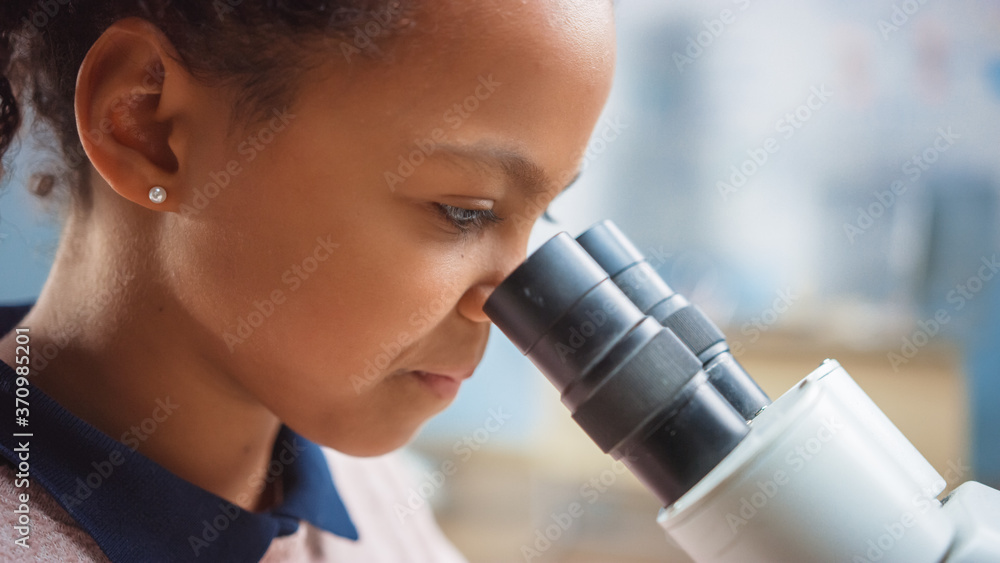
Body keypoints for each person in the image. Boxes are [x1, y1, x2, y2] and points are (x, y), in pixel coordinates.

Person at [0, 0, 616, 561]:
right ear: (146, 123)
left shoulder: (379, 504)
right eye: (466, 210)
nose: (514, 307)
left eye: (546, 215)